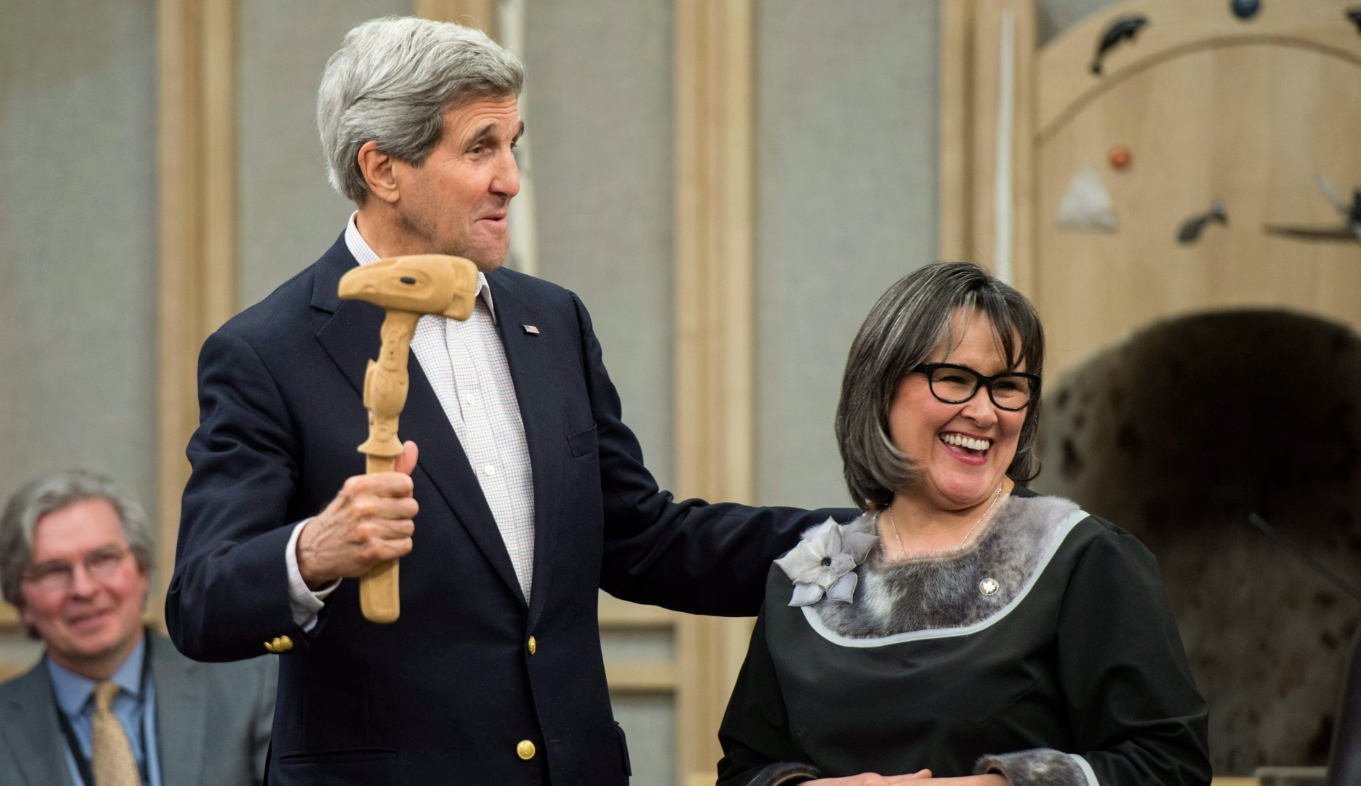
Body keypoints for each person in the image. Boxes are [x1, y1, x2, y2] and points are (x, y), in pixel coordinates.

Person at [164, 16, 848, 785]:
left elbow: (642, 543)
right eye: (479, 147)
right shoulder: (266, 352)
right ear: (382, 169)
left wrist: (869, 545)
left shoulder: (551, 320)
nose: (510, 179)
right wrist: (315, 551)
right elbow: (200, 604)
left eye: (511, 145)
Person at [717, 263, 1212, 786]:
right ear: (881, 387)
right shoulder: (808, 575)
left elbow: (1170, 766)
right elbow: (745, 771)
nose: (985, 412)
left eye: (1008, 386)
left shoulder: (1084, 559)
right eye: (954, 380)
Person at [0, 470, 275, 786]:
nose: (83, 589)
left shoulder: (249, 685)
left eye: (102, 558)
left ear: (142, 571)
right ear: (20, 600)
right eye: (53, 570)